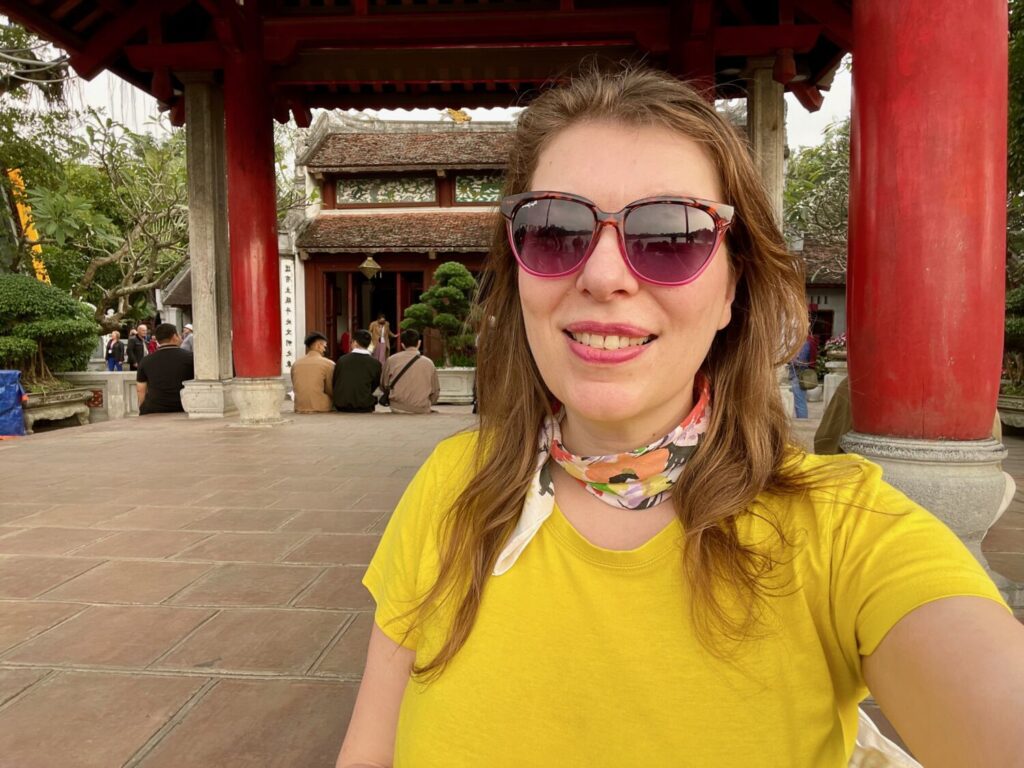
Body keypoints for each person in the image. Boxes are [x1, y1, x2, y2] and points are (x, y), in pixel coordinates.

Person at [336, 66, 1024, 768]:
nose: (603, 276)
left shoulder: (847, 532)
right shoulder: (454, 488)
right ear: (516, 275)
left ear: (734, 289)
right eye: (554, 229)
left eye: (671, 236)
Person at [136, 322, 194, 415]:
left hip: (153, 408)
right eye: (179, 334)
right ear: (175, 336)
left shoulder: (145, 361)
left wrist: (141, 410)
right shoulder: (191, 358)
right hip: (182, 406)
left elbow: (140, 389)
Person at [381, 329, 439, 414]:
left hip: (397, 407)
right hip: (421, 408)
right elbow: (435, 390)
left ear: (402, 345)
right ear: (419, 343)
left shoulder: (391, 360)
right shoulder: (429, 363)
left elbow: (384, 384)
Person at [333, 329, 381, 413]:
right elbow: (375, 384)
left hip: (341, 404)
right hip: (364, 404)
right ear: (369, 343)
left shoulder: (342, 360)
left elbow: (335, 381)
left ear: (354, 342)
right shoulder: (375, 363)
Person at [291, 331, 335, 413]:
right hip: (321, 406)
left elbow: (295, 385)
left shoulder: (295, 364)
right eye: (324, 346)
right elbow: (330, 389)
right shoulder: (329, 364)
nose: (325, 349)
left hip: (299, 406)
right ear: (319, 346)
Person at [789, 332, 816, 419]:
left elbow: (800, 362)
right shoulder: (806, 341)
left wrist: (790, 359)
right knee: (800, 401)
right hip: (798, 374)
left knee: (800, 402)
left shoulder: (804, 342)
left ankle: (802, 422)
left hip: (799, 375)